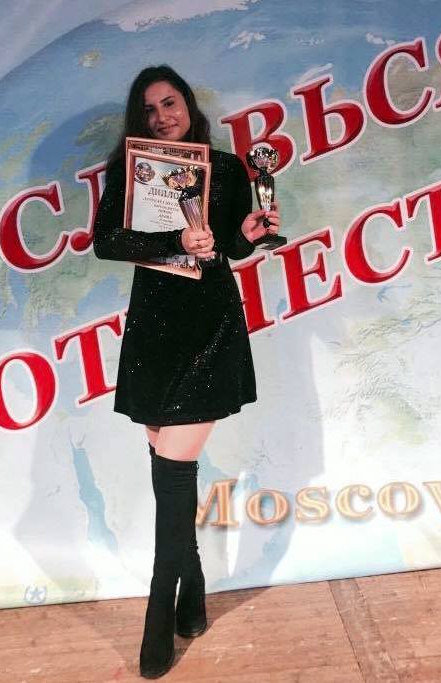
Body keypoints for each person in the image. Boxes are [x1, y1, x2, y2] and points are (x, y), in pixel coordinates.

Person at [93, 65, 281, 679]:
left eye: (169, 104)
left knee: (173, 473)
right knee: (164, 463)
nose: (160, 117)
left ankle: (159, 615)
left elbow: (230, 244)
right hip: (153, 328)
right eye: (148, 110)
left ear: (188, 106)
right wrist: (176, 239)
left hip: (209, 326)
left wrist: (246, 235)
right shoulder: (129, 169)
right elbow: (106, 242)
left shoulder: (225, 168)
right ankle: (193, 598)